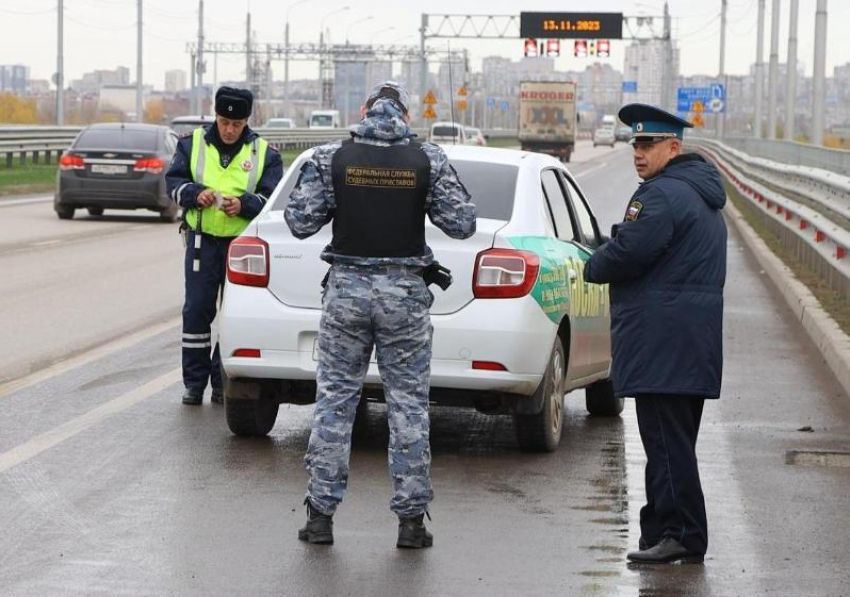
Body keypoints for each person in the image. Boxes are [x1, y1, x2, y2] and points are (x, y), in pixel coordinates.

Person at [284, 81, 476, 548]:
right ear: (406, 117)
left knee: (334, 403)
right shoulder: (427, 159)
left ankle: (321, 519)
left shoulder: (331, 158)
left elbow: (299, 220)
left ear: (365, 110)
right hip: (405, 298)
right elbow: (463, 223)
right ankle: (411, 524)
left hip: (347, 293)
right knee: (408, 407)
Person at [584, 103, 727, 564]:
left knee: (666, 444)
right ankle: (663, 529)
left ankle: (681, 534)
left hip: (662, 340)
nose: (638, 153)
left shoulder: (660, 196)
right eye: (636, 145)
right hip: (687, 340)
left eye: (648, 145)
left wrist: (593, 261)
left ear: (674, 147)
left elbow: (628, 252)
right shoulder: (700, 194)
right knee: (672, 441)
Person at [166, 87, 283, 406]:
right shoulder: (191, 144)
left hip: (242, 248)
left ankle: (222, 383)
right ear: (215, 117)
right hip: (202, 243)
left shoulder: (264, 153)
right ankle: (193, 383)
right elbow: (173, 183)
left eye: (236, 123)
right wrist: (194, 194)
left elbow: (271, 199)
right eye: (223, 122)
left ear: (247, 120)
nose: (229, 129)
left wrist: (243, 205)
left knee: (233, 313)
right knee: (196, 312)